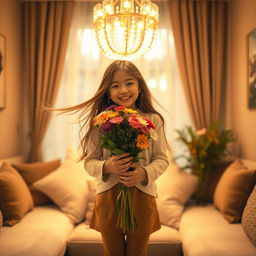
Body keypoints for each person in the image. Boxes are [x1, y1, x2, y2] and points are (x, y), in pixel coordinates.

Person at [49, 60, 170, 256]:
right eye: (115, 85)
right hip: (108, 197)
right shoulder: (100, 122)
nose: (123, 90)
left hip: (142, 196)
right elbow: (90, 162)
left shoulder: (153, 120)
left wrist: (144, 173)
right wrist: (107, 166)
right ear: (108, 91)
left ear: (139, 86)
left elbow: (162, 159)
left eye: (129, 83)